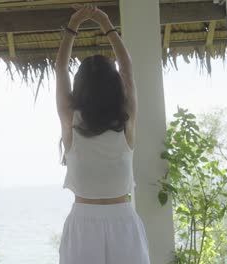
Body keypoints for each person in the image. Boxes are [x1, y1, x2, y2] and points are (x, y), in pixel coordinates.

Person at [55, 4, 150, 264]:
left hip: (82, 224)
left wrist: (74, 24)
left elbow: (61, 69)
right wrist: (105, 23)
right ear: (115, 85)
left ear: (80, 87)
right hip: (123, 222)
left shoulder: (70, 122)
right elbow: (127, 69)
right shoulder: (126, 122)